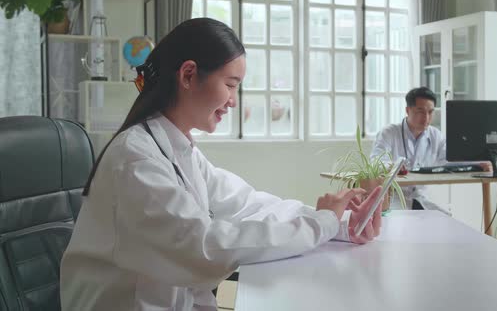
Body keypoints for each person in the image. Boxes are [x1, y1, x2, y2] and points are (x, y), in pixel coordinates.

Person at [60, 18, 383, 311]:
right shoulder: (135, 159)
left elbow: (247, 205)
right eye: (230, 84)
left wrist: (338, 224)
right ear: (188, 75)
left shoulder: (178, 149)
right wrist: (320, 224)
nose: (233, 100)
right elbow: (205, 247)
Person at [370, 87, 490, 211]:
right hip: (394, 197)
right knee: (399, 222)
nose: (426, 117)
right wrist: (393, 166)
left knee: (445, 221)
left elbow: (451, 159)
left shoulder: (436, 135)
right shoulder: (389, 133)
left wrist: (478, 163)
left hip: (421, 197)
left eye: (430, 112)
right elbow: (376, 161)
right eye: (420, 111)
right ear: (408, 110)